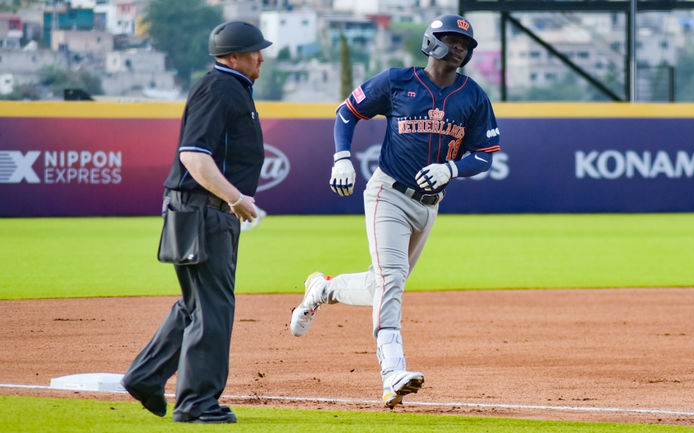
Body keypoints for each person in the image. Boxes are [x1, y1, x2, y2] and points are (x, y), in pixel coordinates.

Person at [289, 14, 501, 409]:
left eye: (464, 44)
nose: (458, 48)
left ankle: (321, 289)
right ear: (431, 41)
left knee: (381, 284)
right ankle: (392, 373)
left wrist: (452, 168)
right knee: (393, 280)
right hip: (388, 194)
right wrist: (341, 158)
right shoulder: (397, 81)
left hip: (429, 206)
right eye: (451, 39)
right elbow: (346, 112)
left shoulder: (473, 96)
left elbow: (486, 155)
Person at [121, 21, 271, 424]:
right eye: (255, 50)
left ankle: (145, 376)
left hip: (198, 210)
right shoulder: (219, 88)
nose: (261, 56)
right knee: (212, 309)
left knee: (196, 305)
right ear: (234, 57)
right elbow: (194, 156)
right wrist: (235, 198)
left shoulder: (230, 88)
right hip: (203, 211)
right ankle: (196, 403)